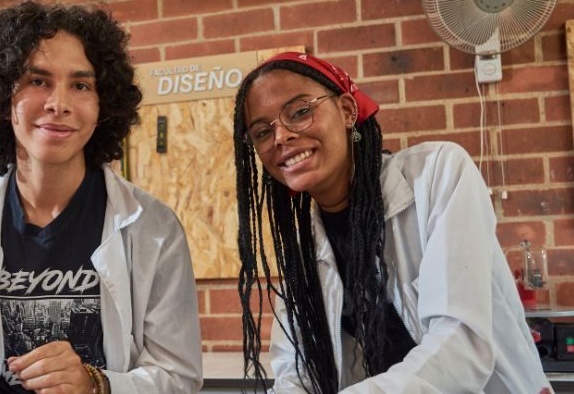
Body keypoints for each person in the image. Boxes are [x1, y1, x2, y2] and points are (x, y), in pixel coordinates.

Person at [0, 0, 202, 394]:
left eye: (81, 85)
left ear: (103, 106)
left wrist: (97, 384)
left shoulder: (154, 228)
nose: (59, 104)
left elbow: (178, 377)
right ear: (2, 97)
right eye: (38, 81)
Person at [233, 51, 550, 393]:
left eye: (299, 112)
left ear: (347, 111)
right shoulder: (303, 250)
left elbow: (460, 344)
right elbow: (298, 373)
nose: (280, 137)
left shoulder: (438, 174)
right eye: (262, 132)